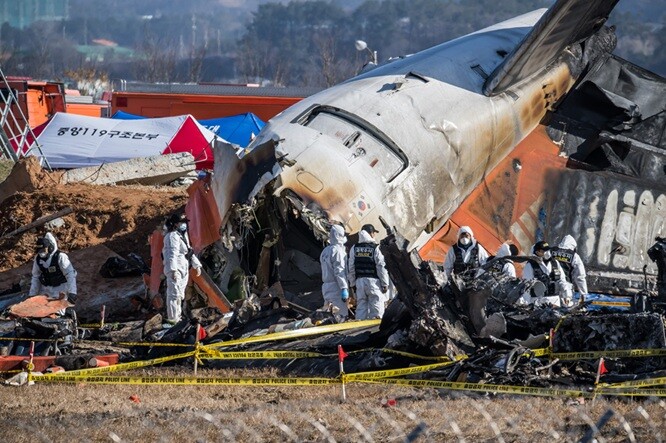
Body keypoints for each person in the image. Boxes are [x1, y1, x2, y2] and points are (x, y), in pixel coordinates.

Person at [162, 212, 202, 327]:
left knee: (180, 294)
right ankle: (173, 319)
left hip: (183, 267)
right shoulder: (171, 237)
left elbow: (189, 251)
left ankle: (178, 317)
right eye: (181, 223)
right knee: (174, 294)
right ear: (175, 224)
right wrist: (172, 270)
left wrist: (196, 264)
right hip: (176, 268)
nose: (184, 225)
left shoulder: (182, 236)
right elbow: (171, 254)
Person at [348, 224, 390, 320]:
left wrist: (353, 283)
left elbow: (351, 268)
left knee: (361, 308)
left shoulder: (354, 248)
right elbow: (381, 266)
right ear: (370, 233)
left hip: (359, 283)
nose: (374, 235)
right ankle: (375, 330)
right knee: (377, 310)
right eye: (374, 233)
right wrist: (385, 283)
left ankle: (358, 331)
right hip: (373, 282)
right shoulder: (375, 248)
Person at [28, 232, 77, 304]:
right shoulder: (38, 259)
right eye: (39, 250)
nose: (41, 253)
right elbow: (35, 277)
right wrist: (32, 294)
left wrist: (72, 292)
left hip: (61, 289)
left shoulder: (60, 257)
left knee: (58, 312)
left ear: (50, 247)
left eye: (43, 250)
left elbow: (70, 274)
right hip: (45, 289)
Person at [522, 241, 573, 307]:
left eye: (548, 250)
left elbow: (562, 280)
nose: (547, 253)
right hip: (538, 302)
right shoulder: (530, 265)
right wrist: (527, 304)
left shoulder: (555, 263)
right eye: (543, 251)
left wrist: (567, 295)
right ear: (537, 252)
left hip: (555, 301)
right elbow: (527, 286)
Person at [319, 224, 349, 320]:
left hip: (326, 286)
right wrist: (344, 288)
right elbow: (339, 271)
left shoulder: (325, 251)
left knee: (328, 313)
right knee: (339, 315)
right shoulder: (338, 251)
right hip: (336, 287)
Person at [553, 235, 588, 303]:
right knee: (564, 310)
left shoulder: (551, 251)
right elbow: (580, 276)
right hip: (566, 288)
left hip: (549, 286)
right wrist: (583, 293)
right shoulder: (574, 256)